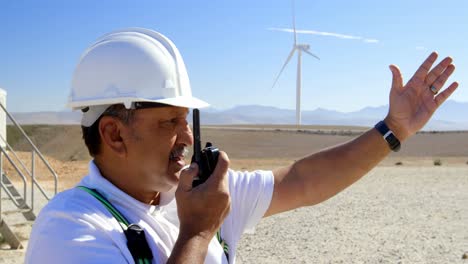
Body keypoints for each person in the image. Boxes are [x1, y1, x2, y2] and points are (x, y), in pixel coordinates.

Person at [25, 28, 458, 263]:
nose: (188, 137)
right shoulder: (68, 230)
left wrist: (392, 131)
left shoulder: (195, 196)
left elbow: (304, 180)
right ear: (114, 134)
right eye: (169, 122)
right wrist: (198, 231)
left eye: (188, 119)